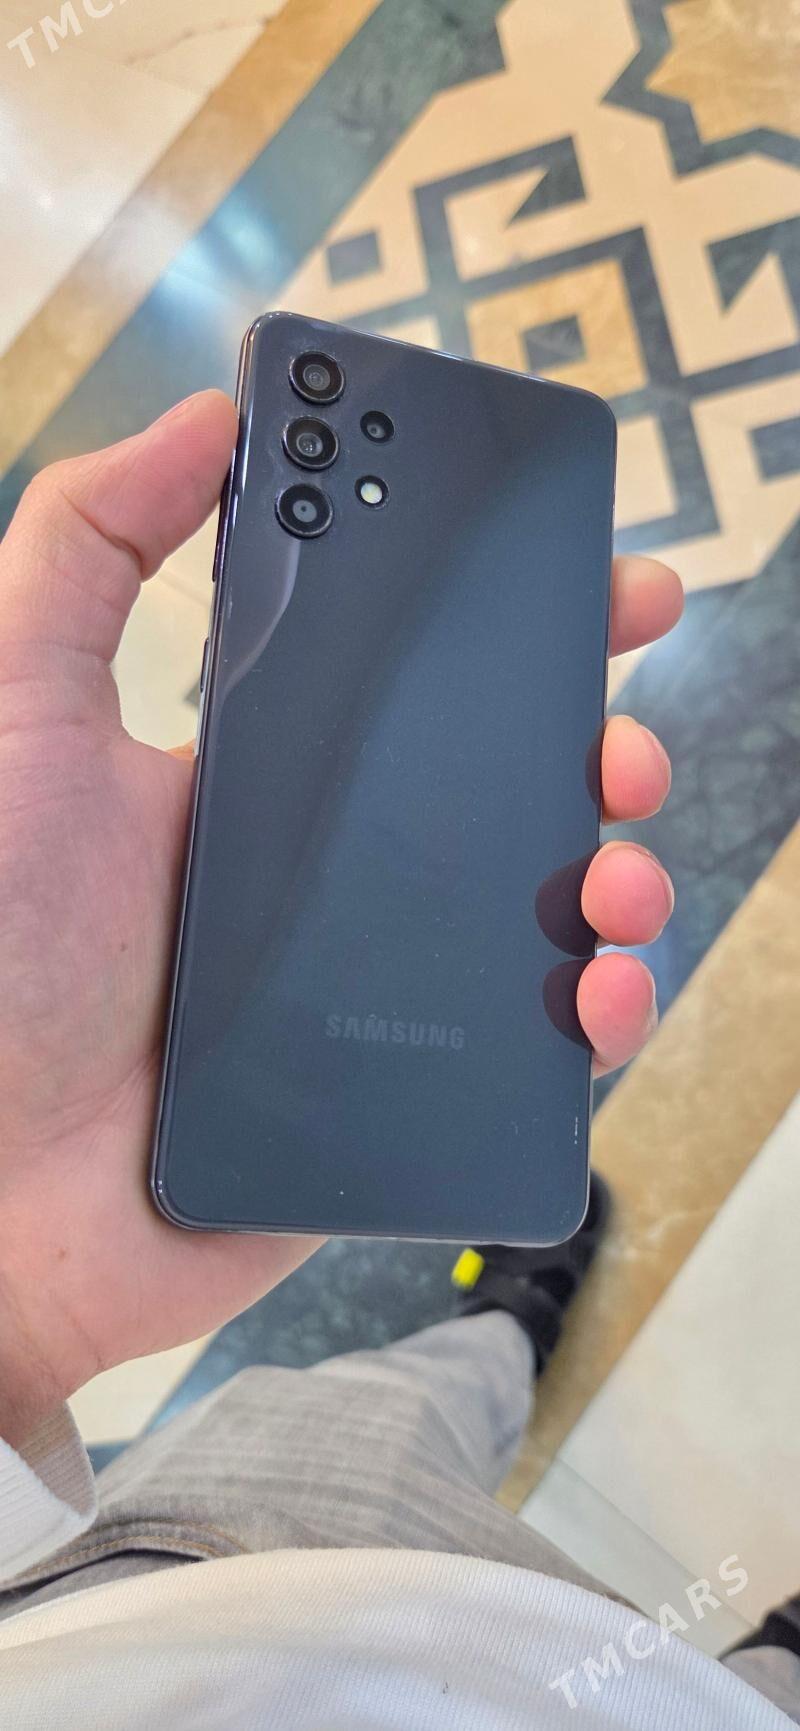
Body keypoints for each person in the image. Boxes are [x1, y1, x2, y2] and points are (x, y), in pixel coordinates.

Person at [0, 391, 795, 1728]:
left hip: (172, 1590)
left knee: (383, 1407)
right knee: (742, 1698)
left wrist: (14, 1303)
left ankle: (504, 1327)